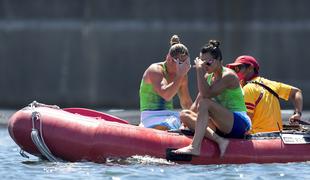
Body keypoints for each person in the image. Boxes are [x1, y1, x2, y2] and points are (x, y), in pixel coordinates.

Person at [174, 40, 251, 156]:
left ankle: (195, 147)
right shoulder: (208, 76)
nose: (204, 66)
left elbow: (206, 95)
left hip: (239, 123)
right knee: (184, 114)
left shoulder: (228, 76)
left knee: (205, 103)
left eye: (208, 62)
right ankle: (220, 140)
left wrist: (199, 71)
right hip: (220, 125)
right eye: (202, 62)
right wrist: (184, 123)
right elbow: (197, 103)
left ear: (219, 61)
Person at [226, 55, 303, 134]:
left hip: (257, 137)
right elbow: (296, 92)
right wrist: (298, 113)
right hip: (278, 136)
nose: (236, 71)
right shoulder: (271, 84)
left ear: (250, 68)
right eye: (234, 69)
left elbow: (245, 123)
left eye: (238, 68)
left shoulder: (248, 89)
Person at [139, 35, 193, 131]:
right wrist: (180, 75)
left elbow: (186, 102)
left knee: (190, 120)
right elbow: (166, 95)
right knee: (168, 124)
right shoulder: (155, 70)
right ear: (168, 58)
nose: (183, 67)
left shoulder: (182, 74)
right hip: (150, 116)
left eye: (186, 64)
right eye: (181, 64)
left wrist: (196, 119)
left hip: (170, 116)